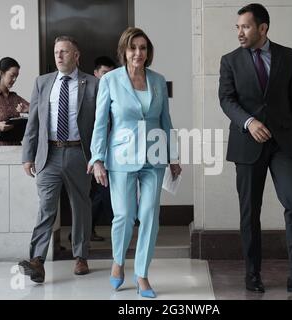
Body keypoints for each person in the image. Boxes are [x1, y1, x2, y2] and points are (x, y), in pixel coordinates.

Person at [218, 3, 292, 297]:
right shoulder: (229, 61)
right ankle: (252, 273)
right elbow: (226, 100)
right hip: (247, 144)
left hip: (283, 143)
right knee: (250, 211)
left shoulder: (288, 56)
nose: (240, 32)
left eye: (246, 27)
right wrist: (249, 122)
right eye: (237, 27)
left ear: (263, 28)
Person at [87, 27, 181, 298]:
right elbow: (101, 122)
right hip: (121, 157)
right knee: (125, 216)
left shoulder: (158, 81)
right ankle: (118, 262)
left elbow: (166, 121)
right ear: (124, 52)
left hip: (154, 157)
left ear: (148, 51)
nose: (138, 53)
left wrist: (173, 156)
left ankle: (142, 274)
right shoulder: (110, 80)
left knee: (150, 215)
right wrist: (97, 159)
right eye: (133, 48)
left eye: (143, 48)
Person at [18, 36, 98, 283]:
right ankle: (37, 261)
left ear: (76, 55)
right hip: (49, 155)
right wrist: (27, 156)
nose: (59, 56)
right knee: (46, 208)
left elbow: (101, 124)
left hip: (79, 154)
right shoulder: (42, 83)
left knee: (80, 206)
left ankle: (81, 255)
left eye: (64, 51)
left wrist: (98, 158)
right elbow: (33, 123)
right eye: (56, 52)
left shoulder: (93, 84)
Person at [90, 56, 116, 241]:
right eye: (104, 73)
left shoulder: (115, 92)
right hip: (91, 151)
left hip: (110, 151)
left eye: (111, 73)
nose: (108, 77)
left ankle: (88, 230)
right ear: (96, 73)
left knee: (100, 192)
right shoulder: (90, 94)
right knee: (99, 193)